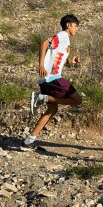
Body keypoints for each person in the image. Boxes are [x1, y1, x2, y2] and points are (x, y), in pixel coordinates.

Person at [23, 14, 82, 148]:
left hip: (48, 79)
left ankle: (29, 141)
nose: (77, 29)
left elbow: (58, 59)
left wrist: (71, 62)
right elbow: (44, 43)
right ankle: (41, 98)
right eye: (76, 26)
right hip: (53, 78)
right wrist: (41, 65)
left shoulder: (65, 40)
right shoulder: (62, 35)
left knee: (52, 109)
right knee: (78, 100)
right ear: (68, 25)